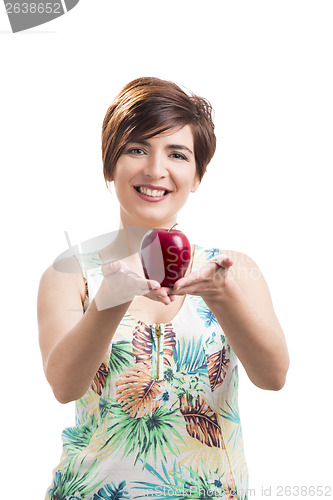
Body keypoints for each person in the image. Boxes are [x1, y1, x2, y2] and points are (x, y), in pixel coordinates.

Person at [38, 76, 289, 500]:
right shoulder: (71, 273)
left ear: (197, 176)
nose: (155, 170)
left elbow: (274, 376)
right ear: (109, 165)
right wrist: (111, 296)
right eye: (137, 149)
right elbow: (65, 386)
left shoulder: (233, 270)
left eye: (177, 154)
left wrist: (221, 295)